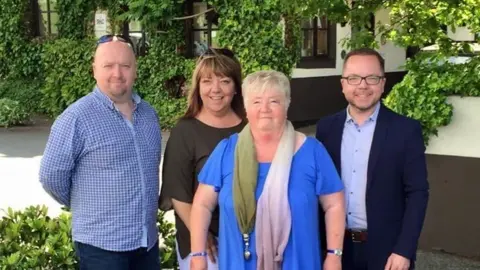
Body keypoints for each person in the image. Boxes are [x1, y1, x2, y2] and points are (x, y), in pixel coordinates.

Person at [189, 70, 346, 270]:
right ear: (246, 107)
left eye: (274, 101)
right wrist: (198, 255)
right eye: (256, 102)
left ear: (287, 104)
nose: (264, 109)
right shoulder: (227, 151)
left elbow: (334, 205)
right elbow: (202, 205)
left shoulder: (312, 152)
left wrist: (334, 255)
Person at [39, 35, 162, 269]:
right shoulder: (76, 118)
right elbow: (51, 176)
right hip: (102, 247)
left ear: (135, 69)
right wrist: (86, 204)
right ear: (94, 70)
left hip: (146, 243)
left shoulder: (148, 114)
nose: (117, 73)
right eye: (108, 66)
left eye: (125, 65)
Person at [316, 48, 429, 270]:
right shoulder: (326, 129)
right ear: (343, 84)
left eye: (372, 78)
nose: (363, 85)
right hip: (336, 248)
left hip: (387, 253)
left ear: (383, 83)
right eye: (354, 78)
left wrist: (404, 250)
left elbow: (417, 193)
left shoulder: (406, 130)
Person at [158, 47, 246, 270]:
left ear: (236, 87)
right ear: (198, 87)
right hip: (203, 245)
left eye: (224, 81)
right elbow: (178, 193)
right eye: (207, 81)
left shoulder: (250, 126)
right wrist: (201, 233)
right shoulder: (185, 131)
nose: (215, 89)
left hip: (246, 238)